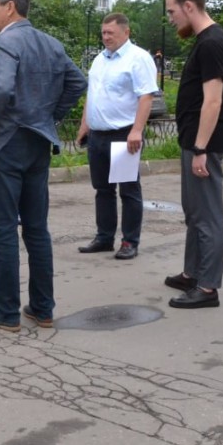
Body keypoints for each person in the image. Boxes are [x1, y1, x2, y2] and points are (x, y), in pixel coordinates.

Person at [0, 0, 87, 332]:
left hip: (5, 145)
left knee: (2, 229)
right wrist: (50, 118)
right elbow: (77, 82)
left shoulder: (5, 41)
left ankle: (5, 311)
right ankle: (42, 309)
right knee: (36, 229)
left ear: (10, 7)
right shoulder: (51, 43)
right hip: (38, 144)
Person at [163, 0, 223, 309]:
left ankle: (207, 287)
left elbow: (213, 101)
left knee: (207, 215)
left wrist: (200, 149)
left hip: (203, 144)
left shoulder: (212, 42)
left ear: (188, 6)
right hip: (194, 141)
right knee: (195, 211)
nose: (170, 18)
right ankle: (193, 272)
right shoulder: (205, 40)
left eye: (171, 11)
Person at [76, 13, 158, 260]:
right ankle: (104, 238)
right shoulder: (100, 60)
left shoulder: (138, 59)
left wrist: (136, 130)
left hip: (124, 135)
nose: (106, 37)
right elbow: (93, 95)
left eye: (110, 33)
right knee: (103, 189)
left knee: (128, 190)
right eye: (103, 33)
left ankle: (129, 241)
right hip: (98, 135)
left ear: (126, 32)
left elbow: (146, 96)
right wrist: (85, 125)